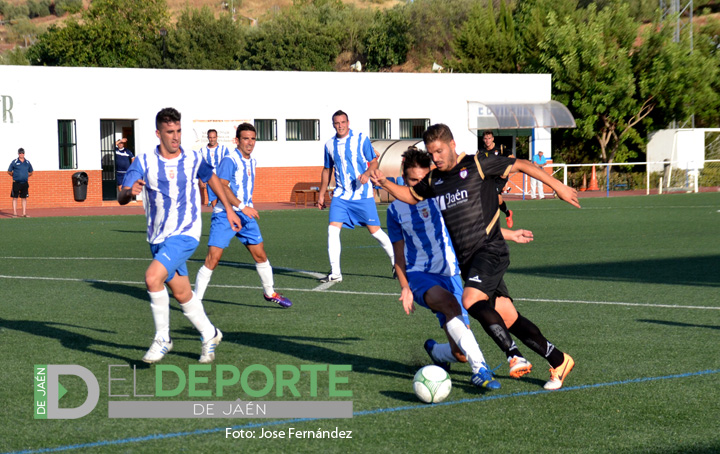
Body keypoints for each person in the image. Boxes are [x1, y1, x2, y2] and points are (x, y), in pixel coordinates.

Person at [371, 123, 580, 390]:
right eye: (431, 153)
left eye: (439, 151)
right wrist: (385, 182)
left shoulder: (478, 163)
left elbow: (523, 164)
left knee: (469, 300)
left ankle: (513, 355)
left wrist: (557, 187)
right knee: (508, 316)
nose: (436, 158)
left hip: (490, 251)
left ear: (452, 145)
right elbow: (410, 196)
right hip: (469, 261)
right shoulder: (435, 180)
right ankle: (559, 360)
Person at [118, 107, 242, 364]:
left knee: (152, 278)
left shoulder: (194, 159)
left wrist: (229, 209)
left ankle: (163, 337)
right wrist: (130, 193)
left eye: (178, 131)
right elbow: (121, 194)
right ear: (158, 133)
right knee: (183, 293)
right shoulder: (143, 162)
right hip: (158, 237)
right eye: (170, 132)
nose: (176, 137)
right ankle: (210, 334)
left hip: (186, 233)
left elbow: (213, 179)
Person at [388, 147, 501, 390]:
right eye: (412, 180)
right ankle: (481, 369)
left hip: (451, 273)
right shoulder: (395, 209)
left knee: (459, 353)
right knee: (450, 304)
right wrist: (405, 287)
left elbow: (469, 226)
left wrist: (507, 234)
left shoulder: (441, 196)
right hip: (420, 276)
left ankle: (437, 353)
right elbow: (398, 256)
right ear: (404, 178)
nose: (418, 185)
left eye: (422, 179)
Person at [194, 123, 293, 308]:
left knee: (260, 255)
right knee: (212, 259)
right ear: (237, 140)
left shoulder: (252, 161)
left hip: (246, 216)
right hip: (226, 215)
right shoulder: (230, 160)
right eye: (245, 138)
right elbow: (221, 185)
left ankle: (269, 292)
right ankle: (195, 301)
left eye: (253, 138)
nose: (250, 142)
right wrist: (240, 205)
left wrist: (245, 208)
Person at [317, 110, 394, 283]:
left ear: (348, 122)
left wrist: (367, 173)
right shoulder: (329, 145)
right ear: (333, 125)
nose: (340, 126)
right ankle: (335, 273)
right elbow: (327, 169)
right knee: (332, 230)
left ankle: (396, 263)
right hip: (341, 195)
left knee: (375, 232)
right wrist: (322, 194)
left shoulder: (361, 139)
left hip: (362, 194)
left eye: (343, 122)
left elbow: (373, 161)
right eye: (337, 123)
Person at [480, 130, 514, 227]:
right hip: (489, 177)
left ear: (493, 138)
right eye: (485, 138)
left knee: (492, 195)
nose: (487, 141)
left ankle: (490, 222)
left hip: (500, 178)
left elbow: (512, 159)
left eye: (489, 138)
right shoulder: (481, 151)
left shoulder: (501, 148)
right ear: (483, 139)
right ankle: (508, 213)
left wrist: (506, 171)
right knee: (499, 200)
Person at [199, 129, 230, 206]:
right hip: (210, 180)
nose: (212, 139)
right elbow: (200, 165)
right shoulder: (202, 150)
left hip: (222, 180)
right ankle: (216, 217)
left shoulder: (223, 149)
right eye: (210, 137)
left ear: (217, 137)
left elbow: (227, 164)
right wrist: (200, 179)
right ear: (207, 138)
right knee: (214, 204)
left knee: (225, 203)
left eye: (213, 137)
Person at [7, 148, 33, 218]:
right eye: (20, 153)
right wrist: (14, 175)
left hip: (24, 183)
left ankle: (24, 213)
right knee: (15, 197)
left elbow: (31, 172)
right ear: (18, 154)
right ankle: (15, 213)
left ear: (24, 153)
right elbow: (9, 171)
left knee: (24, 198)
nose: (21, 154)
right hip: (16, 182)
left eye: (22, 153)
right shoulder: (15, 162)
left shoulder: (27, 162)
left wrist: (27, 175)